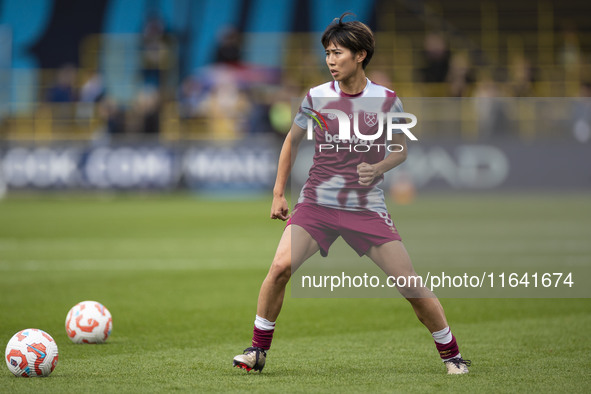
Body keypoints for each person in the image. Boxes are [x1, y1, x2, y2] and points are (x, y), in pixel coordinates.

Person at [233, 13, 471, 375]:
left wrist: (378, 168)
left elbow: (401, 149)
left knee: (409, 284)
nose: (330, 60)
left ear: (360, 55)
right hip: (317, 203)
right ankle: (257, 351)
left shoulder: (387, 100)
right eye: (327, 53)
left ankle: (452, 355)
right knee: (279, 268)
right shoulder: (315, 97)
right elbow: (291, 142)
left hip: (365, 208)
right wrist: (278, 192)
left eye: (337, 53)